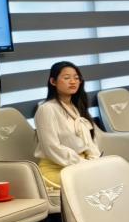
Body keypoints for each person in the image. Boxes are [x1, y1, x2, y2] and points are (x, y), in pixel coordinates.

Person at [33, 61, 102, 192]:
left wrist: (94, 161)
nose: (73, 81)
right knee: (97, 180)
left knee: (110, 172)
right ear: (53, 81)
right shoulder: (46, 109)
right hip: (56, 169)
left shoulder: (76, 108)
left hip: (78, 166)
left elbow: (89, 143)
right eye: (66, 78)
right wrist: (85, 164)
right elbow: (52, 148)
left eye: (76, 78)